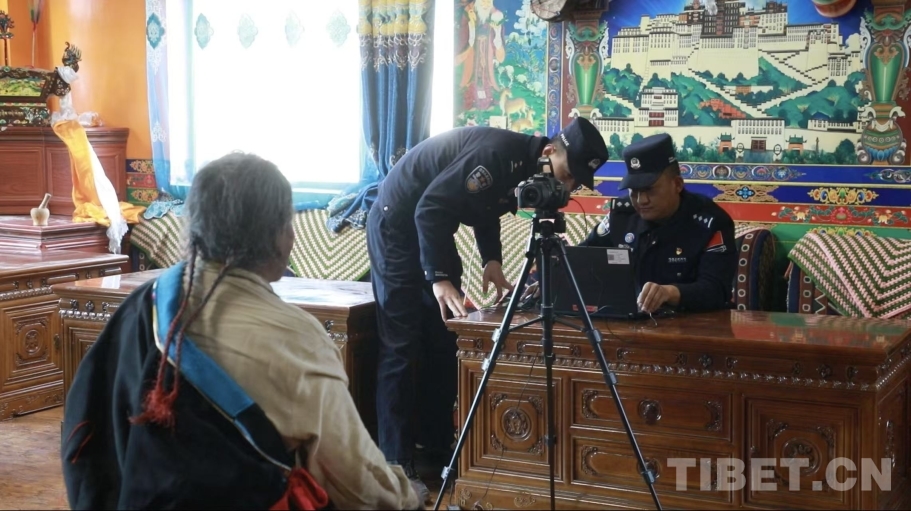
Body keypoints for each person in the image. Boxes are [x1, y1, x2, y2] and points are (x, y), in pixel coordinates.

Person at [61, 153, 419, 510]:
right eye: (288, 223)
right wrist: (406, 495)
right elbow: (358, 483)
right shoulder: (297, 339)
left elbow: (85, 429)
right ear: (278, 235)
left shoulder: (142, 304)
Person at [367, 118, 609, 499]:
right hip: (396, 225)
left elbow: (484, 208)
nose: (567, 187)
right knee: (400, 344)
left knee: (444, 337)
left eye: (574, 182)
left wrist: (491, 260)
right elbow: (429, 207)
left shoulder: (524, 167)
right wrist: (440, 278)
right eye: (567, 175)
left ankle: (434, 445)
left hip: (432, 232)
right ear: (549, 152)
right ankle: (393, 465)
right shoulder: (496, 156)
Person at [579, 133, 738, 312]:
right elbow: (581, 258)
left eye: (649, 190)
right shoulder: (621, 216)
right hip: (629, 321)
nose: (641, 200)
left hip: (693, 322)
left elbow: (717, 290)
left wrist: (670, 293)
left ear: (677, 184)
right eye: (634, 191)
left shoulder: (710, 223)